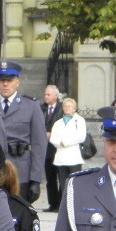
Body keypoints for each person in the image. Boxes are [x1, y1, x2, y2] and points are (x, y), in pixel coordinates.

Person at [0, 61, 47, 203]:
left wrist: (35, 179)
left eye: (10, 80)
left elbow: (39, 144)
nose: (5, 84)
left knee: (20, 216)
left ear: (17, 82)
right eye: (2, 80)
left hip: (21, 171)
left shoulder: (31, 106)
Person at [49, 97, 87, 194]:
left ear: (74, 108)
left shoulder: (79, 120)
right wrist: (60, 143)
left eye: (69, 106)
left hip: (74, 158)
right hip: (61, 158)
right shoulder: (58, 123)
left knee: (75, 185)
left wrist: (65, 142)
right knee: (64, 185)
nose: (67, 108)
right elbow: (53, 138)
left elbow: (81, 137)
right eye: (65, 106)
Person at [42, 84, 64, 212]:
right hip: (46, 148)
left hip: (59, 148)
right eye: (45, 94)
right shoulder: (41, 108)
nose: (46, 96)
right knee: (50, 178)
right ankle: (52, 203)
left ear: (56, 96)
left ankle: (60, 204)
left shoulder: (62, 109)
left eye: (48, 94)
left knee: (60, 177)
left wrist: (52, 133)